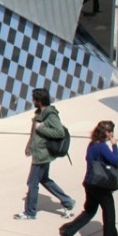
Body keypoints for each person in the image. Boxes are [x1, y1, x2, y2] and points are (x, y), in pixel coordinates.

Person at [59, 120, 118, 236]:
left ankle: (67, 231)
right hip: (101, 185)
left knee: (89, 211)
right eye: (111, 132)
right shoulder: (102, 146)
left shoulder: (92, 144)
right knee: (109, 212)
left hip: (90, 183)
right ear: (106, 133)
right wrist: (114, 145)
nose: (112, 134)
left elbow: (88, 159)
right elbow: (115, 160)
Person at [15, 88, 76, 220]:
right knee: (44, 179)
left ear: (39, 100)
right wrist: (29, 146)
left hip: (43, 154)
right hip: (38, 152)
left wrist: (42, 128)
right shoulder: (40, 113)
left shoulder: (50, 115)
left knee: (32, 183)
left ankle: (30, 212)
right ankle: (67, 201)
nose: (32, 101)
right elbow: (34, 133)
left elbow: (59, 132)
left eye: (34, 99)